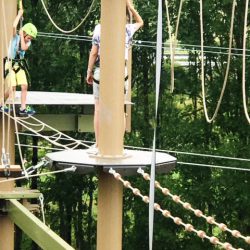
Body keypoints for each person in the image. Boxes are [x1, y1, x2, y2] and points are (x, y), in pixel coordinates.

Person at [86, 0, 143, 152]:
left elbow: (94, 53)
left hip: (103, 70)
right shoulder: (127, 29)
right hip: (120, 71)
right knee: (120, 107)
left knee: (98, 107)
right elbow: (140, 22)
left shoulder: (99, 28)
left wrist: (89, 71)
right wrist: (130, 7)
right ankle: (119, 143)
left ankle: (98, 144)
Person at [1, 9, 37, 115]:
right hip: (10, 63)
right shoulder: (14, 38)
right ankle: (2, 104)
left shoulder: (27, 42)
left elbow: (23, 47)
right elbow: (13, 26)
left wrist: (22, 36)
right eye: (29, 37)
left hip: (19, 64)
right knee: (12, 86)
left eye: (30, 38)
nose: (29, 40)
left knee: (24, 85)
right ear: (25, 33)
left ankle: (23, 108)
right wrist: (19, 14)